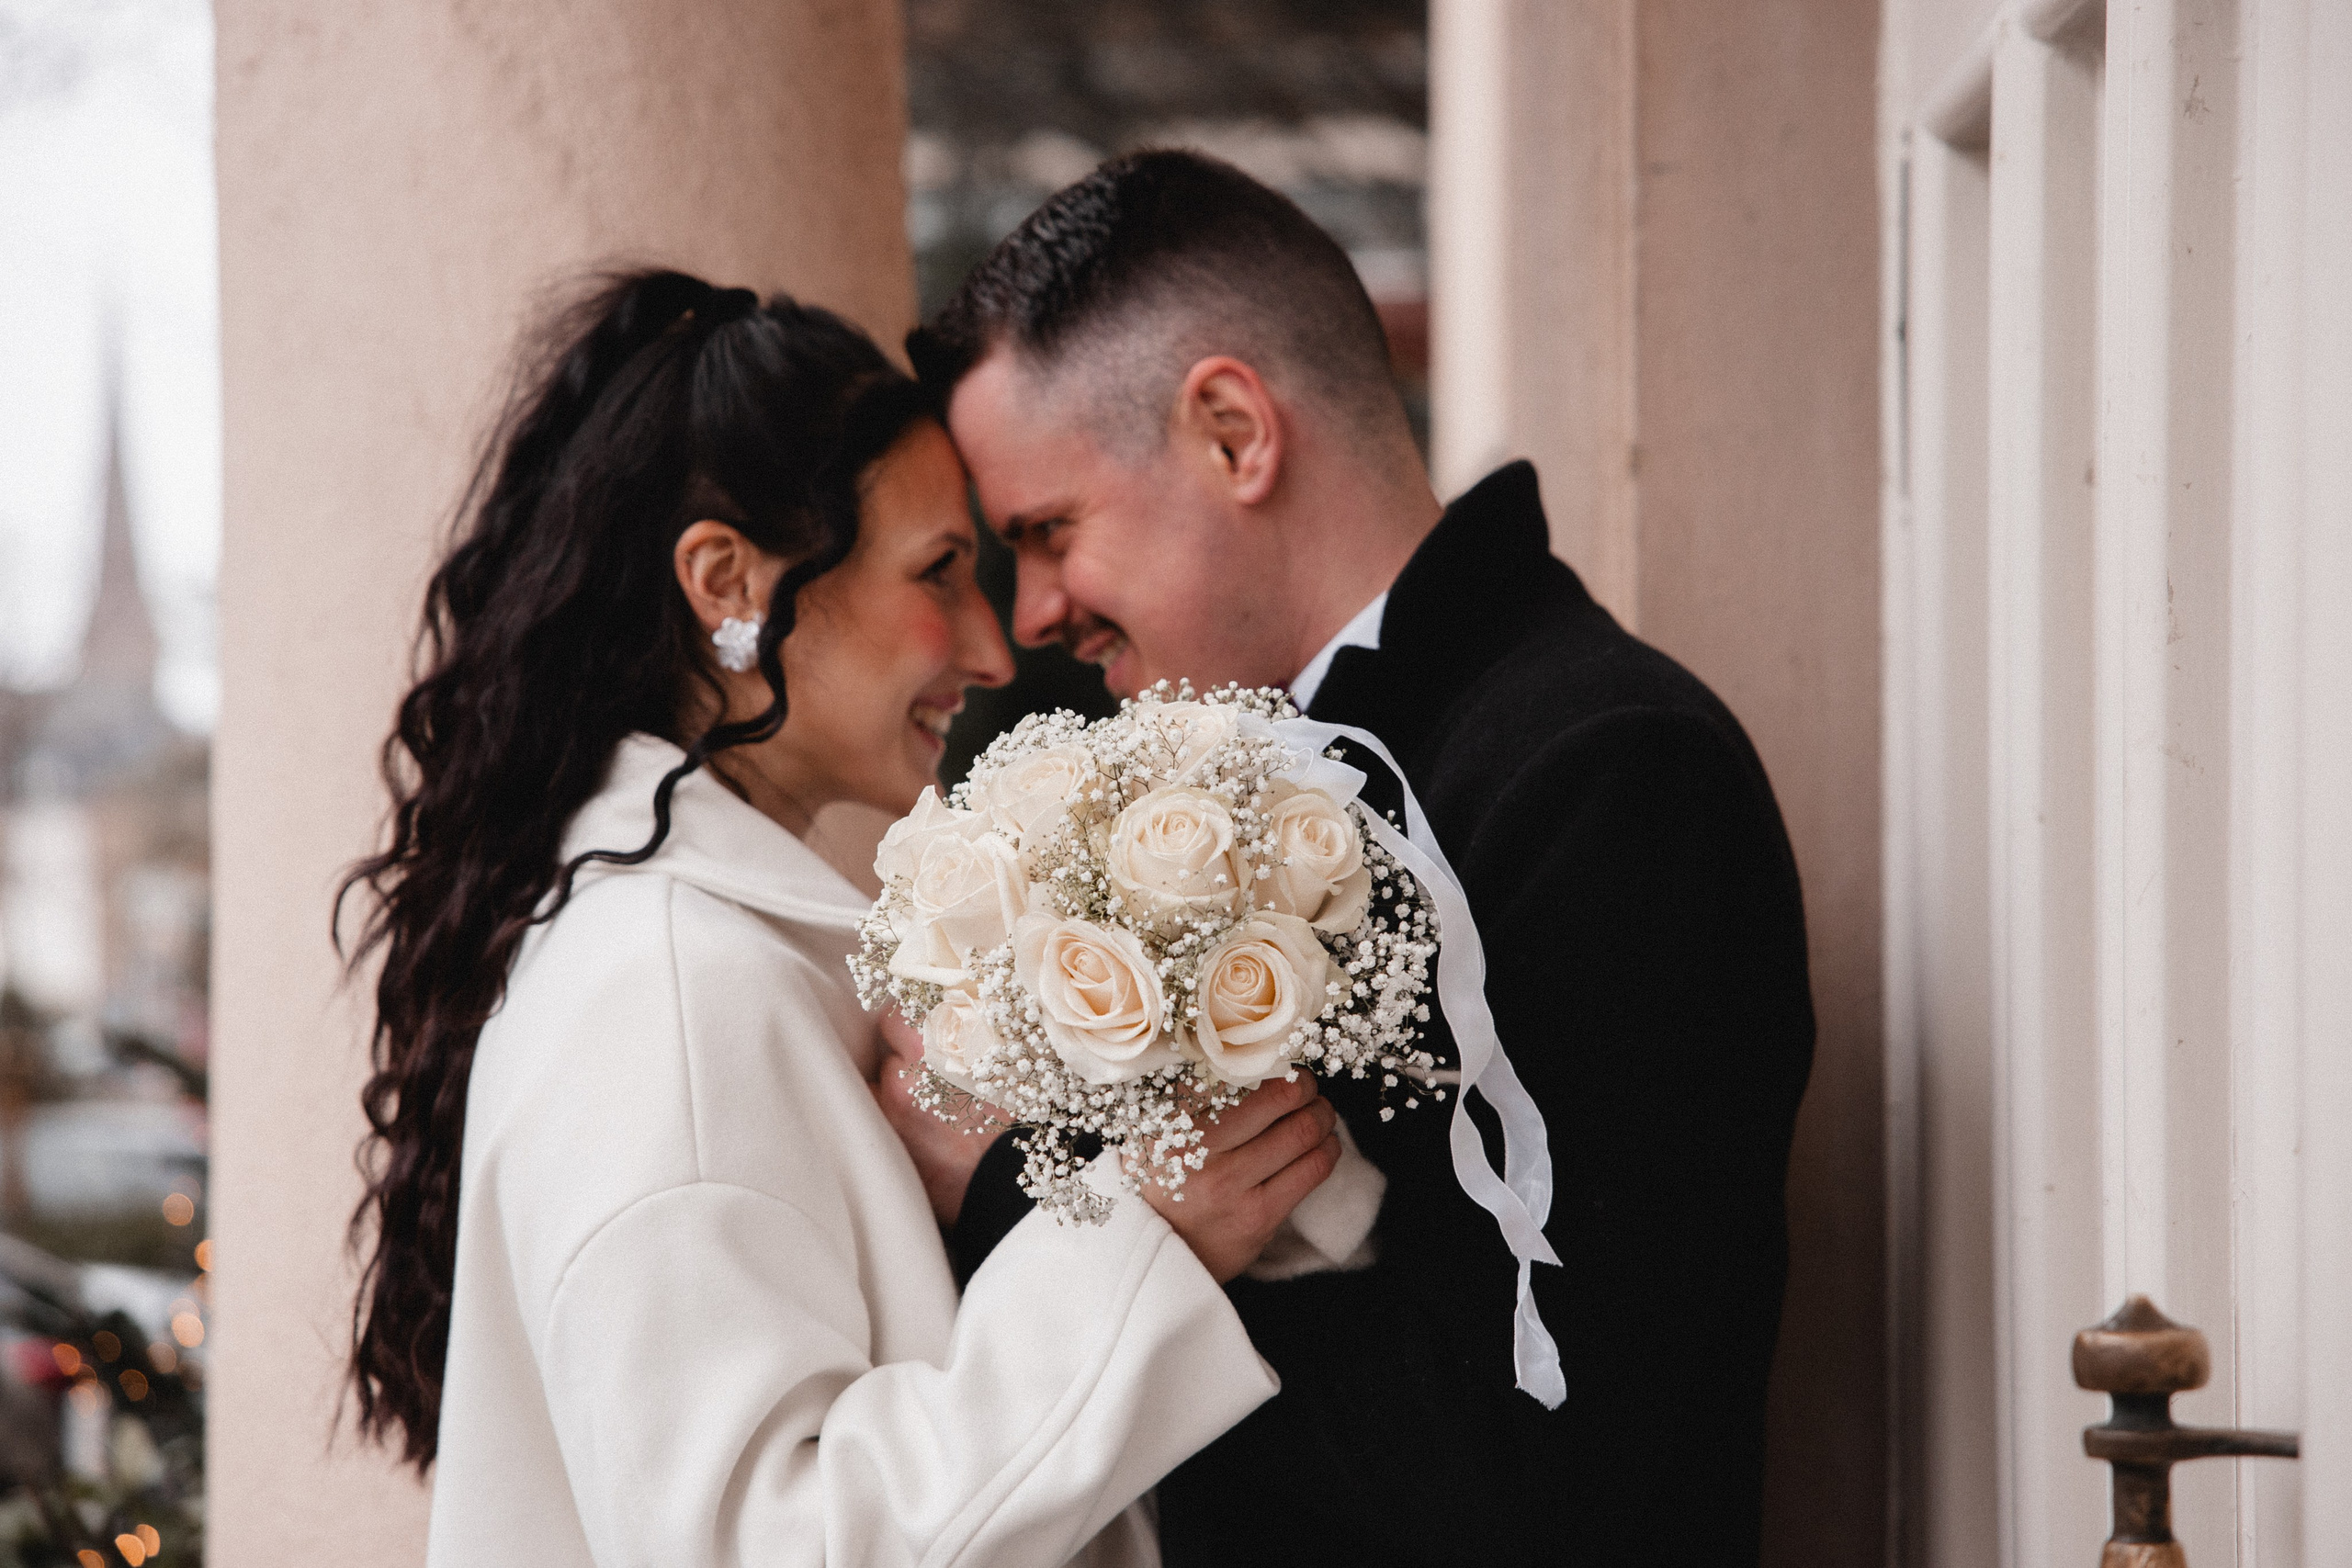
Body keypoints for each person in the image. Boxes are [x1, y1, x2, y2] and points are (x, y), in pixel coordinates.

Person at [337, 268, 1348, 1567]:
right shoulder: (670, 992)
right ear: (728, 584)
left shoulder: (730, 951)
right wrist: (1135, 1246)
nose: (993, 649)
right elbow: (762, 1544)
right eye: (941, 570)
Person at [905, 152, 1816, 1564]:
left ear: (1231, 432)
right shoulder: (1248, 786)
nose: (1031, 615)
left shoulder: (1608, 777)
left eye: (1047, 532)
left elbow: (1547, 1460)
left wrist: (1035, 1199)